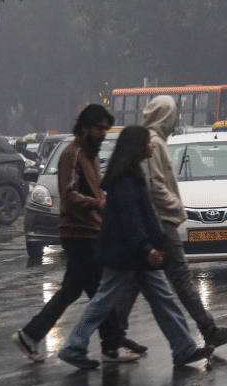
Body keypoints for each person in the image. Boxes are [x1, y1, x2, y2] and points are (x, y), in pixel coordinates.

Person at [57, 126, 215, 370]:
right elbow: (131, 220)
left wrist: (151, 246)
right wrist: (147, 248)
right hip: (126, 254)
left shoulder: (131, 174)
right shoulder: (125, 179)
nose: (152, 146)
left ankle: (184, 347)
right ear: (138, 147)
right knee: (104, 300)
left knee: (162, 298)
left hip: (134, 253)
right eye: (148, 143)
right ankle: (73, 346)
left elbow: (141, 218)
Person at [13, 105, 144, 364]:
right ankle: (109, 345)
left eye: (107, 129)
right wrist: (98, 204)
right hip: (78, 234)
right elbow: (69, 194)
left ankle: (30, 335)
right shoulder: (71, 155)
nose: (103, 133)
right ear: (84, 128)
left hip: (92, 231)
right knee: (101, 292)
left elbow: (96, 190)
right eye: (99, 128)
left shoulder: (92, 156)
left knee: (72, 291)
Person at [110, 95, 227, 349]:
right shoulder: (153, 144)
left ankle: (113, 336)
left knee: (134, 281)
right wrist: (177, 206)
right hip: (162, 222)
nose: (176, 120)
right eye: (174, 115)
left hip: (157, 221)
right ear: (166, 117)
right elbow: (156, 186)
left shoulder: (156, 142)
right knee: (179, 278)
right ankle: (207, 329)